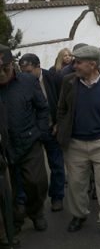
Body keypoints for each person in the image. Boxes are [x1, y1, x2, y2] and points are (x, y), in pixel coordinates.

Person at [56, 44, 100, 237]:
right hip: (75, 144)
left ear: (93, 65)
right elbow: (61, 109)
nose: (74, 65)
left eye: (79, 63)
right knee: (76, 184)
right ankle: (79, 215)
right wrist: (62, 130)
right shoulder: (69, 82)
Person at [0, 48, 49, 232]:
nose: (1, 74)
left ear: (11, 64)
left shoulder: (28, 81)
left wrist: (40, 131)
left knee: (36, 182)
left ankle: (36, 213)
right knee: (8, 190)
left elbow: (43, 109)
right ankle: (14, 219)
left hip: (29, 140)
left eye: (4, 68)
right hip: (3, 147)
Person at [18, 53, 65, 213]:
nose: (26, 75)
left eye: (29, 71)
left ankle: (57, 197)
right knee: (32, 171)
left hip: (52, 129)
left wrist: (59, 123)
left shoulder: (53, 78)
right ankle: (29, 202)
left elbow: (63, 102)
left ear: (38, 67)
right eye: (23, 71)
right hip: (33, 133)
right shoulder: (19, 83)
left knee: (57, 165)